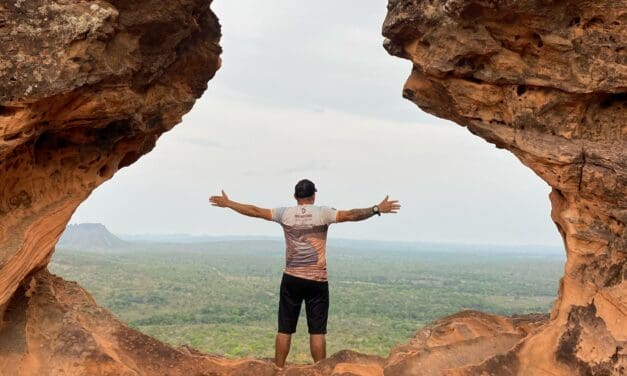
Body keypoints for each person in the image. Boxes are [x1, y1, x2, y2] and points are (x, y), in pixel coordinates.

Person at [209, 179, 400, 368]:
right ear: (313, 196)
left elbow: (256, 211)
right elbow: (351, 215)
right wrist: (376, 209)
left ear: (295, 196)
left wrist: (229, 203)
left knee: (284, 329)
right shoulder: (323, 213)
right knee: (317, 331)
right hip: (317, 280)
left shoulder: (285, 213)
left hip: (291, 278)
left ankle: (279, 369)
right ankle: (320, 370)